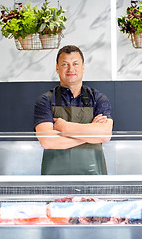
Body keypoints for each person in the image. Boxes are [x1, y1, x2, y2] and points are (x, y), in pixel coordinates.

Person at [34, 45, 113, 175]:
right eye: (65, 64)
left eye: (75, 64)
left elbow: (104, 135)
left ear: (83, 67)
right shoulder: (45, 100)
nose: (71, 69)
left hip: (93, 178)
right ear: (57, 67)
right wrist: (90, 134)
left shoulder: (98, 98)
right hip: (55, 179)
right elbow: (47, 141)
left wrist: (65, 127)